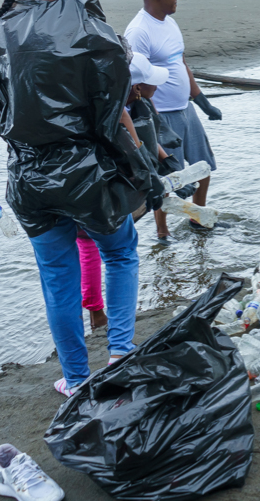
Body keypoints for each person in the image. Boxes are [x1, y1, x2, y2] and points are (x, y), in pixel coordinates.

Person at [0, 0, 165, 397]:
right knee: (119, 252)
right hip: (88, 172)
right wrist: (146, 170)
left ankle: (75, 379)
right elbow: (116, 110)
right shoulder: (87, 24)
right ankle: (120, 352)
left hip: (30, 179)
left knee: (58, 279)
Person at [76, 51, 172, 332]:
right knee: (113, 253)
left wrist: (166, 161)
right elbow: (133, 143)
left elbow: (140, 140)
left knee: (75, 254)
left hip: (67, 180)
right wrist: (152, 178)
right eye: (151, 83)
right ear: (137, 88)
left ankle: (93, 316)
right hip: (101, 187)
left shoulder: (91, 94)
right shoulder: (117, 107)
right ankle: (110, 331)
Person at [124, 0, 222, 242]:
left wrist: (202, 102)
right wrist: (153, 121)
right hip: (161, 115)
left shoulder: (169, 22)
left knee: (204, 168)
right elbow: (136, 83)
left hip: (185, 109)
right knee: (170, 179)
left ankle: (199, 220)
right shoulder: (138, 31)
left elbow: (180, 62)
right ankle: (162, 233)